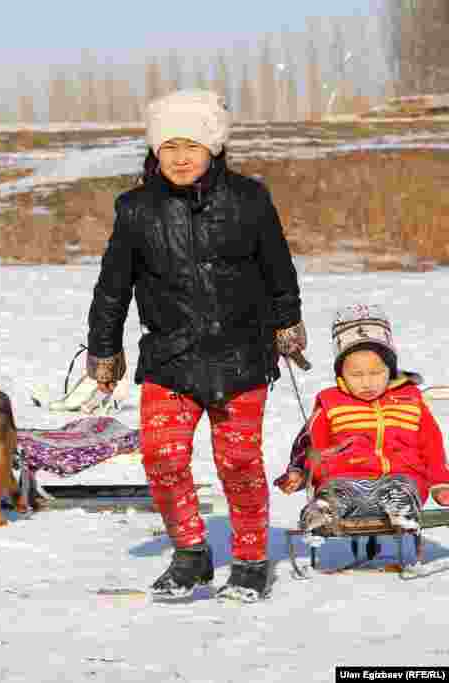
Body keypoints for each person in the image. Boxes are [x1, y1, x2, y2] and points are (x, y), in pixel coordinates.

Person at [86, 89, 306, 602]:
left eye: (191, 146)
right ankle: (190, 553)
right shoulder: (135, 210)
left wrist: (287, 324)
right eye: (169, 147)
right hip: (170, 357)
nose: (180, 157)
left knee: (239, 463)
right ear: (155, 152)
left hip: (241, 356)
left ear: (213, 148)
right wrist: (104, 349)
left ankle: (250, 559)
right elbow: (113, 287)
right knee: (162, 459)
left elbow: (279, 271)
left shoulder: (250, 200)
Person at [275, 304, 449, 533]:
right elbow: (309, 442)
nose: (367, 382)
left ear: (390, 370)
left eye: (376, 373)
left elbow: (432, 447)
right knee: (333, 492)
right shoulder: (331, 403)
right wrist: (298, 471)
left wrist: (440, 483)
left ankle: (401, 511)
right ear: (341, 373)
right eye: (356, 375)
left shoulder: (411, 401)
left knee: (402, 488)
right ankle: (323, 512)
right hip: (344, 477)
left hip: (401, 477)